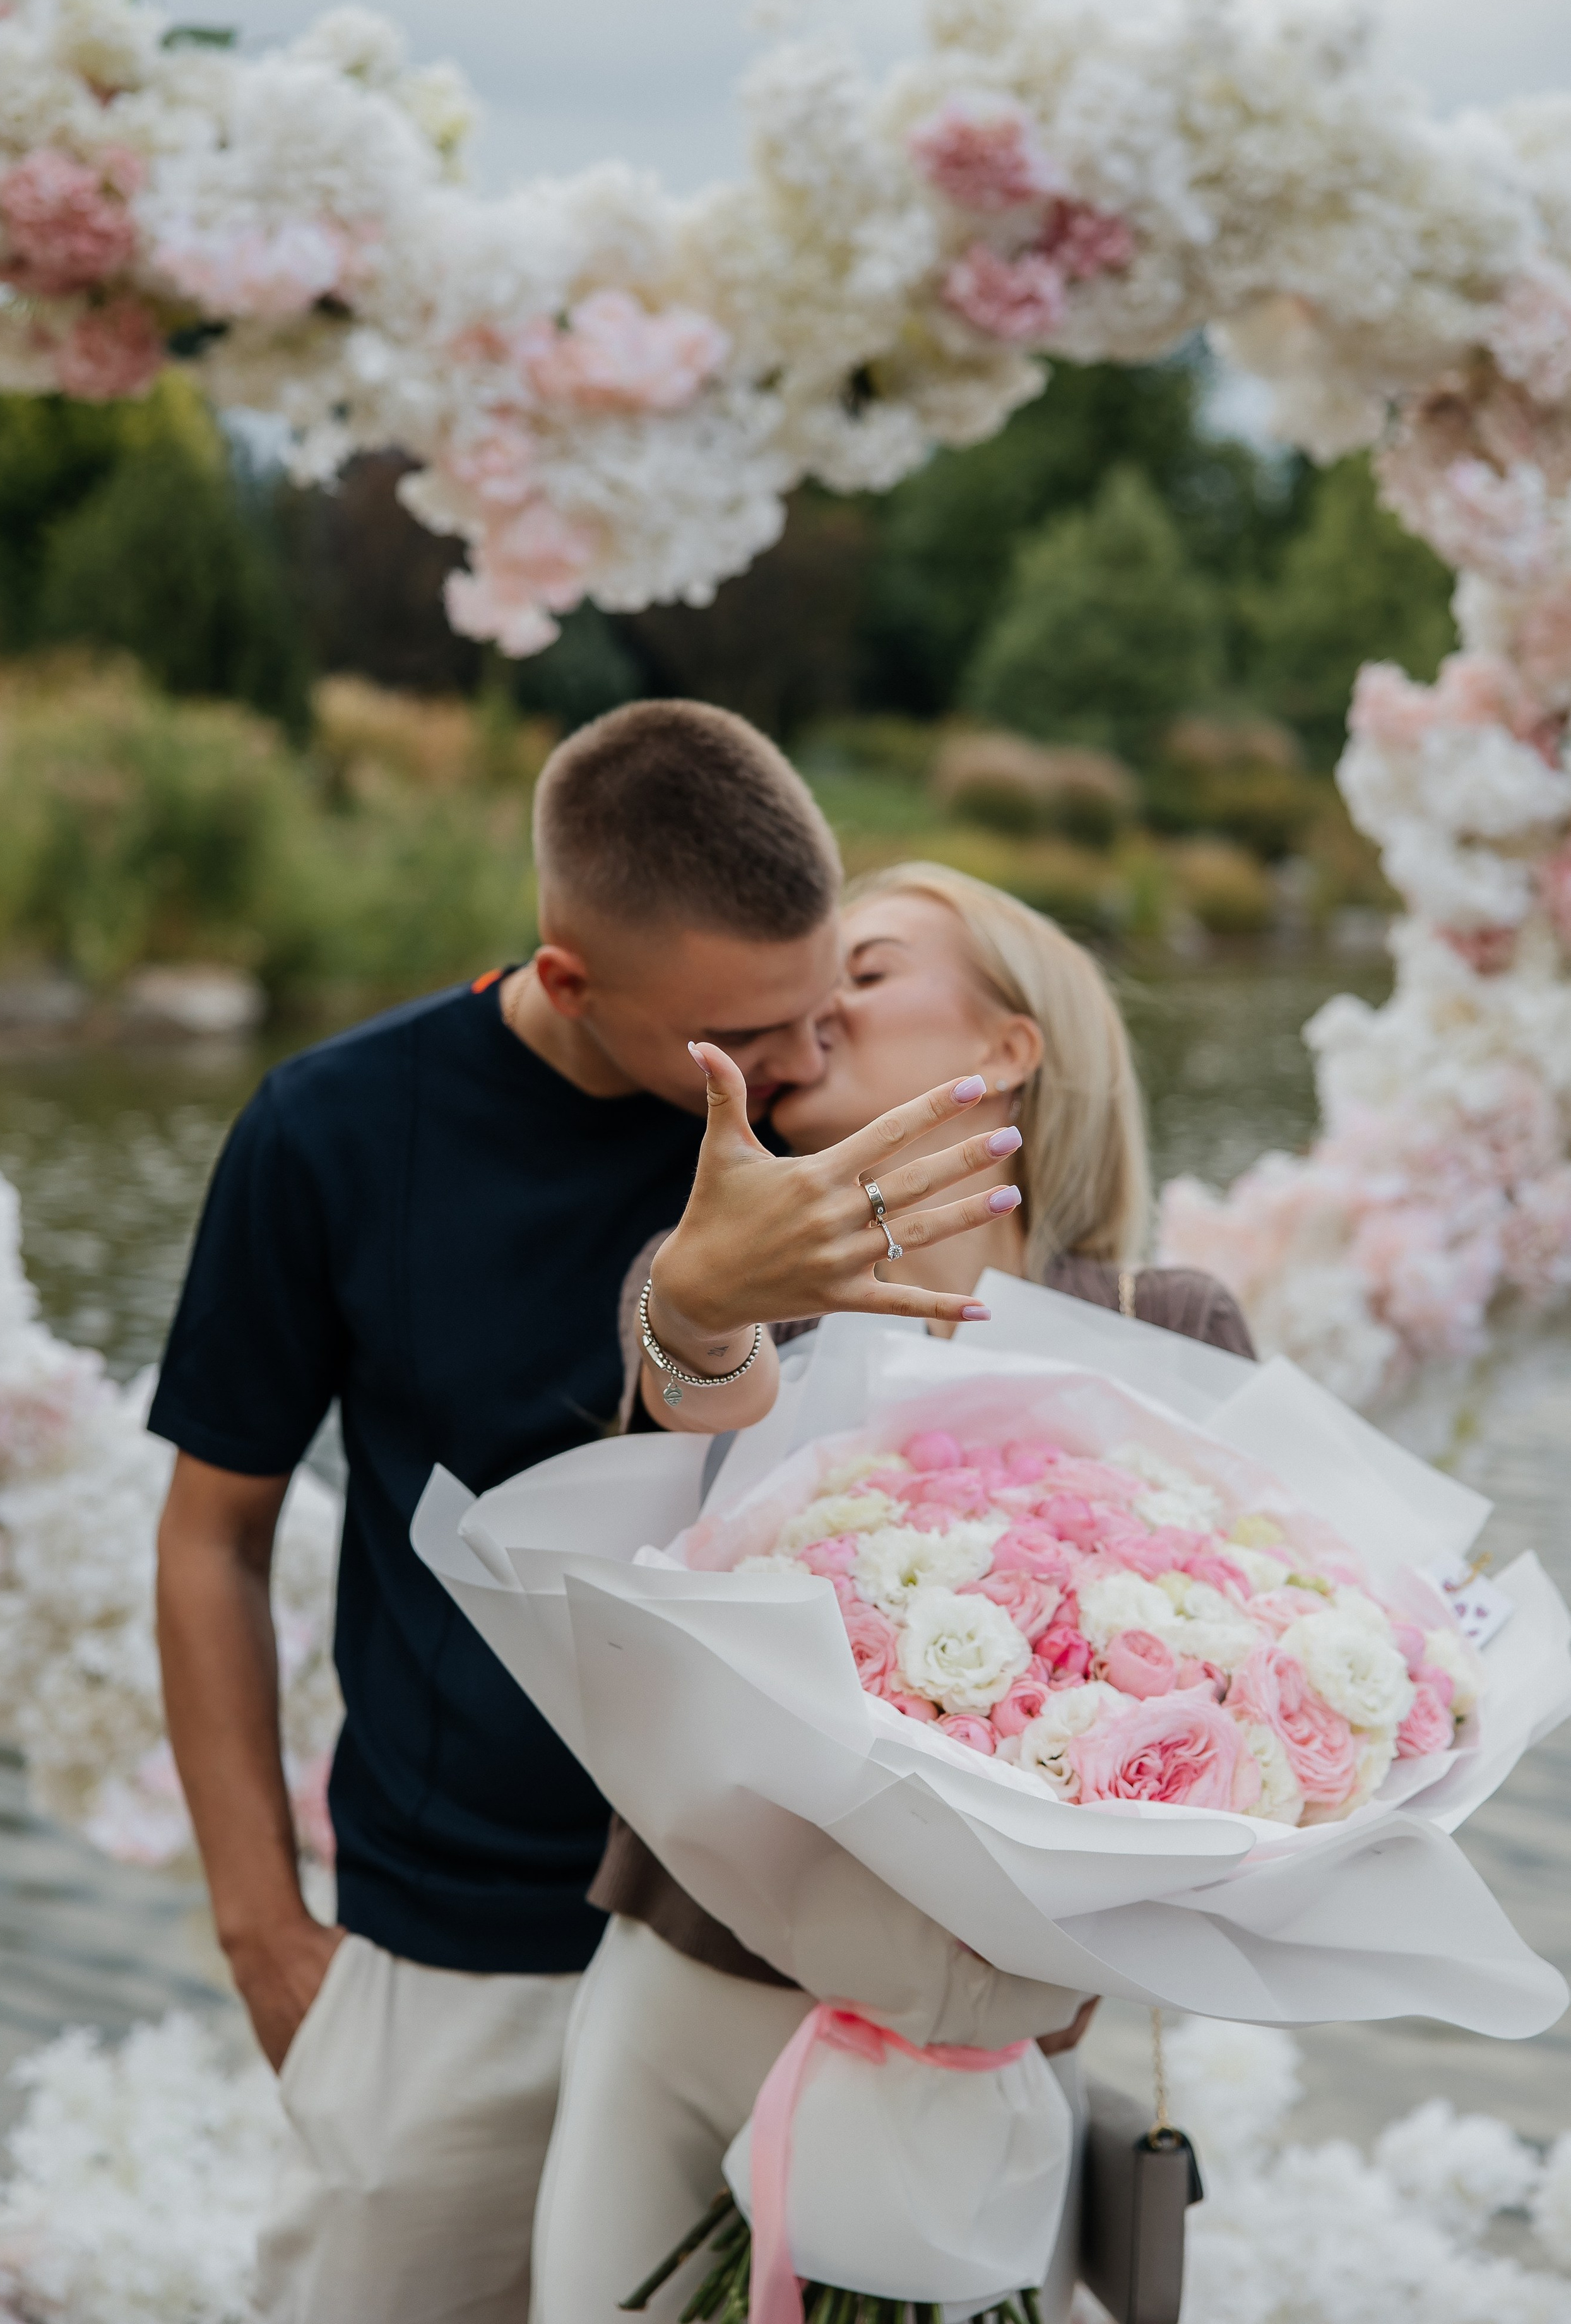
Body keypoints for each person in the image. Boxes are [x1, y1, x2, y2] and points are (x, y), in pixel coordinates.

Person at [150, 711, 1009, 2324]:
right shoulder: (331, 1133)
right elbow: (213, 1532)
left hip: (764, 1955)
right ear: (566, 982)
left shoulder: (832, 1134)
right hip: (456, 1943)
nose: (804, 1068)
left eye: (824, 1006)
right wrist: (262, 1925)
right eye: (746, 1037)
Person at [530, 860, 1256, 2324]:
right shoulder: (730, 1287)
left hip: (993, 2063)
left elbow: (1248, 1670)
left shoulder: (1169, 1327)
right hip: (690, 2006)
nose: (814, 1011)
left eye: (860, 972)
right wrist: (701, 1305)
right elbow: (683, 1392)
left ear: (1005, 1045)